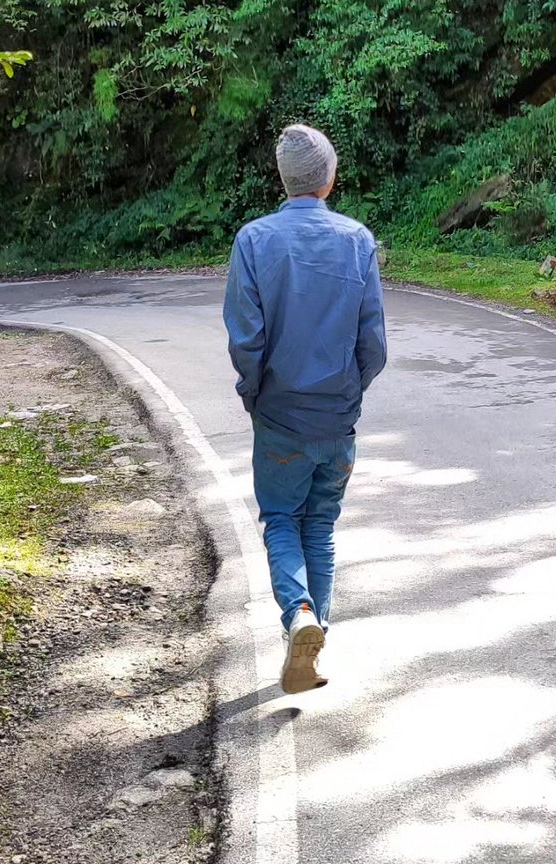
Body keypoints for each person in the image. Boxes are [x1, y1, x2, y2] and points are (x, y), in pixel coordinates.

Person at [223, 124, 388, 693]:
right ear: (329, 177)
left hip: (280, 417)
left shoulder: (253, 240)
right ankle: (310, 648)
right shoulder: (357, 240)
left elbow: (246, 339)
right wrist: (348, 395)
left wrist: (254, 393)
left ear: (284, 178)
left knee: (281, 521)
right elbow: (375, 346)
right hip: (336, 417)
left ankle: (298, 616)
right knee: (320, 524)